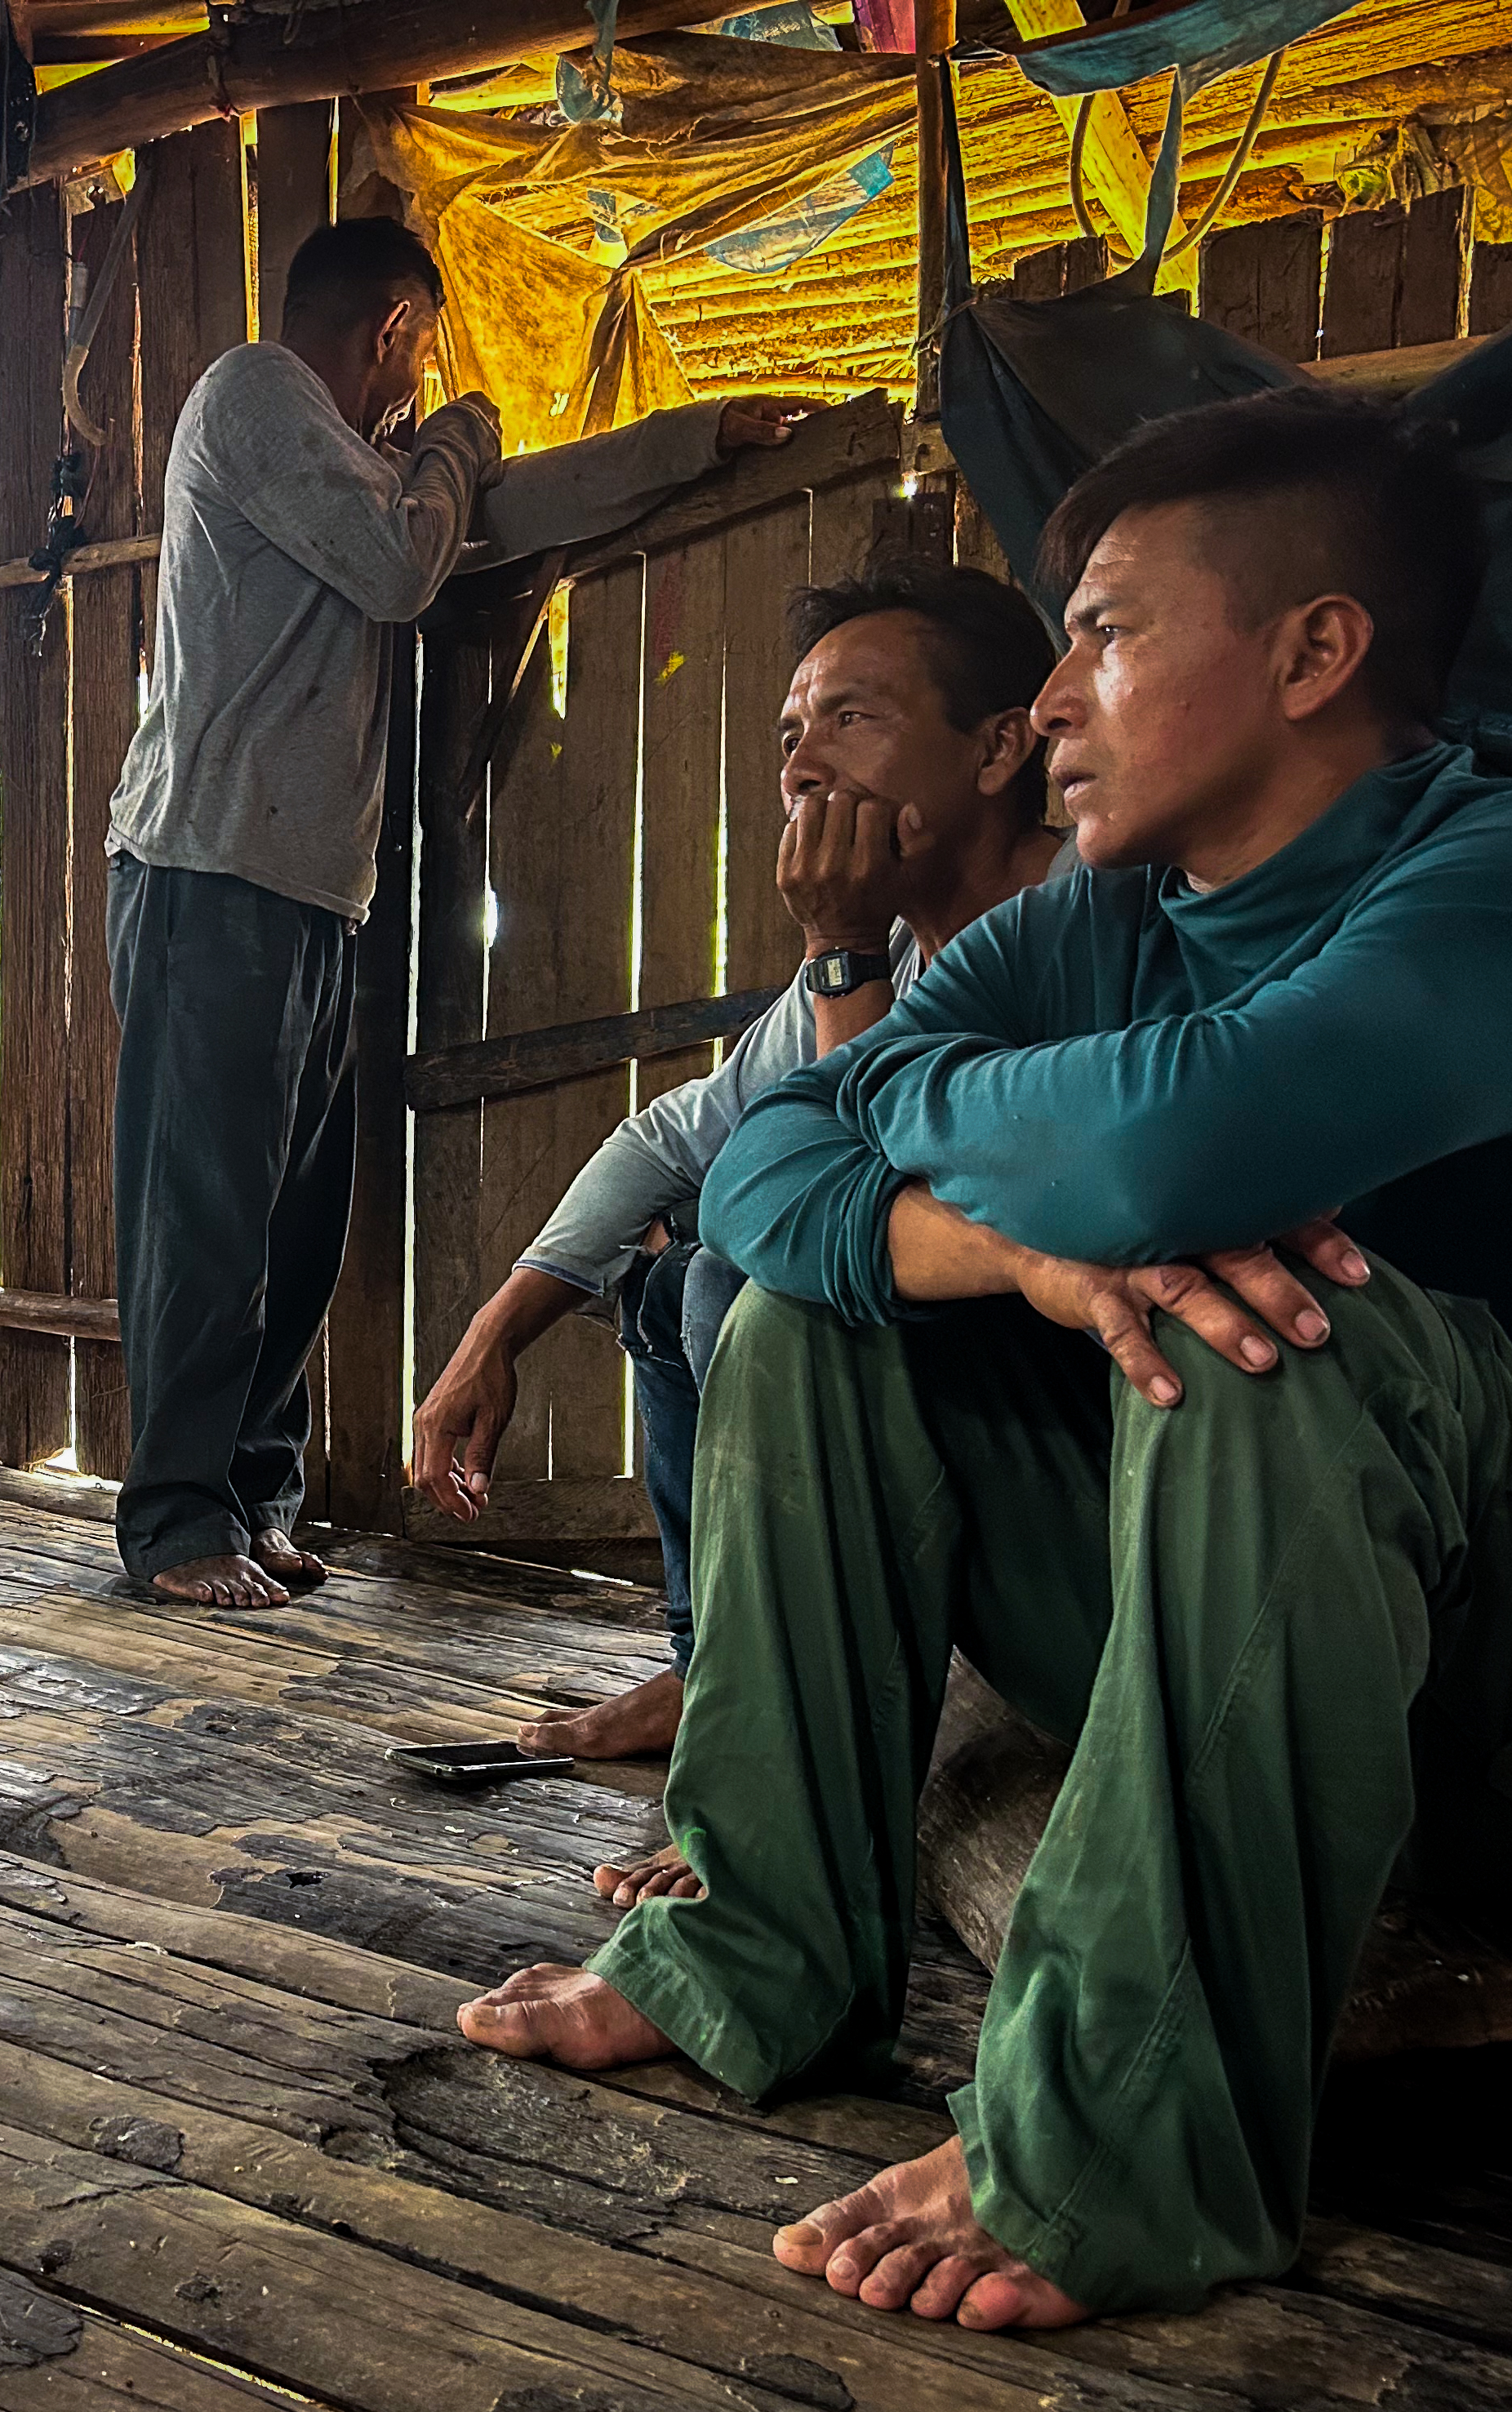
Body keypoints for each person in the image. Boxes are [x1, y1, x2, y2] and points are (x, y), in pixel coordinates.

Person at [452, 390, 1512, 2333]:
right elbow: (768, 1166)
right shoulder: (1094, 928)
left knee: (1277, 1319)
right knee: (814, 1318)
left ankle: (1119, 2138)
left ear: (1314, 651)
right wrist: (993, 1245)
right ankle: (757, 1950)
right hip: (1269, 1636)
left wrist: (943, 1122)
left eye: (1103, 631)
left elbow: (1170, 1152)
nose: (1051, 703)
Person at [107, 214, 807, 1608]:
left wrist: (698, 439)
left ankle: (252, 1493)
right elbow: (399, 560)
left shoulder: (372, 470)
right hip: (207, 876)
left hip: (310, 895)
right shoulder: (254, 394)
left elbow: (504, 510)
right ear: (389, 328)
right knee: (207, 1218)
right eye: (420, 350)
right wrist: (458, 438)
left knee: (295, 1225)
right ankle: (175, 1520)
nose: (422, 380)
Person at [410, 563, 1066, 1886]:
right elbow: (678, 1136)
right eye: (789, 733)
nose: (802, 767)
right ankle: (717, 1673)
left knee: (738, 1289)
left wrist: (841, 955)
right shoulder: (902, 942)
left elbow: (874, 1195)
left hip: (1066, 1461)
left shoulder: (1079, 930)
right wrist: (493, 1335)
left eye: (852, 719)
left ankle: (783, 1756)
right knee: (678, 1281)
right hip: (932, 1417)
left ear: (1001, 747)